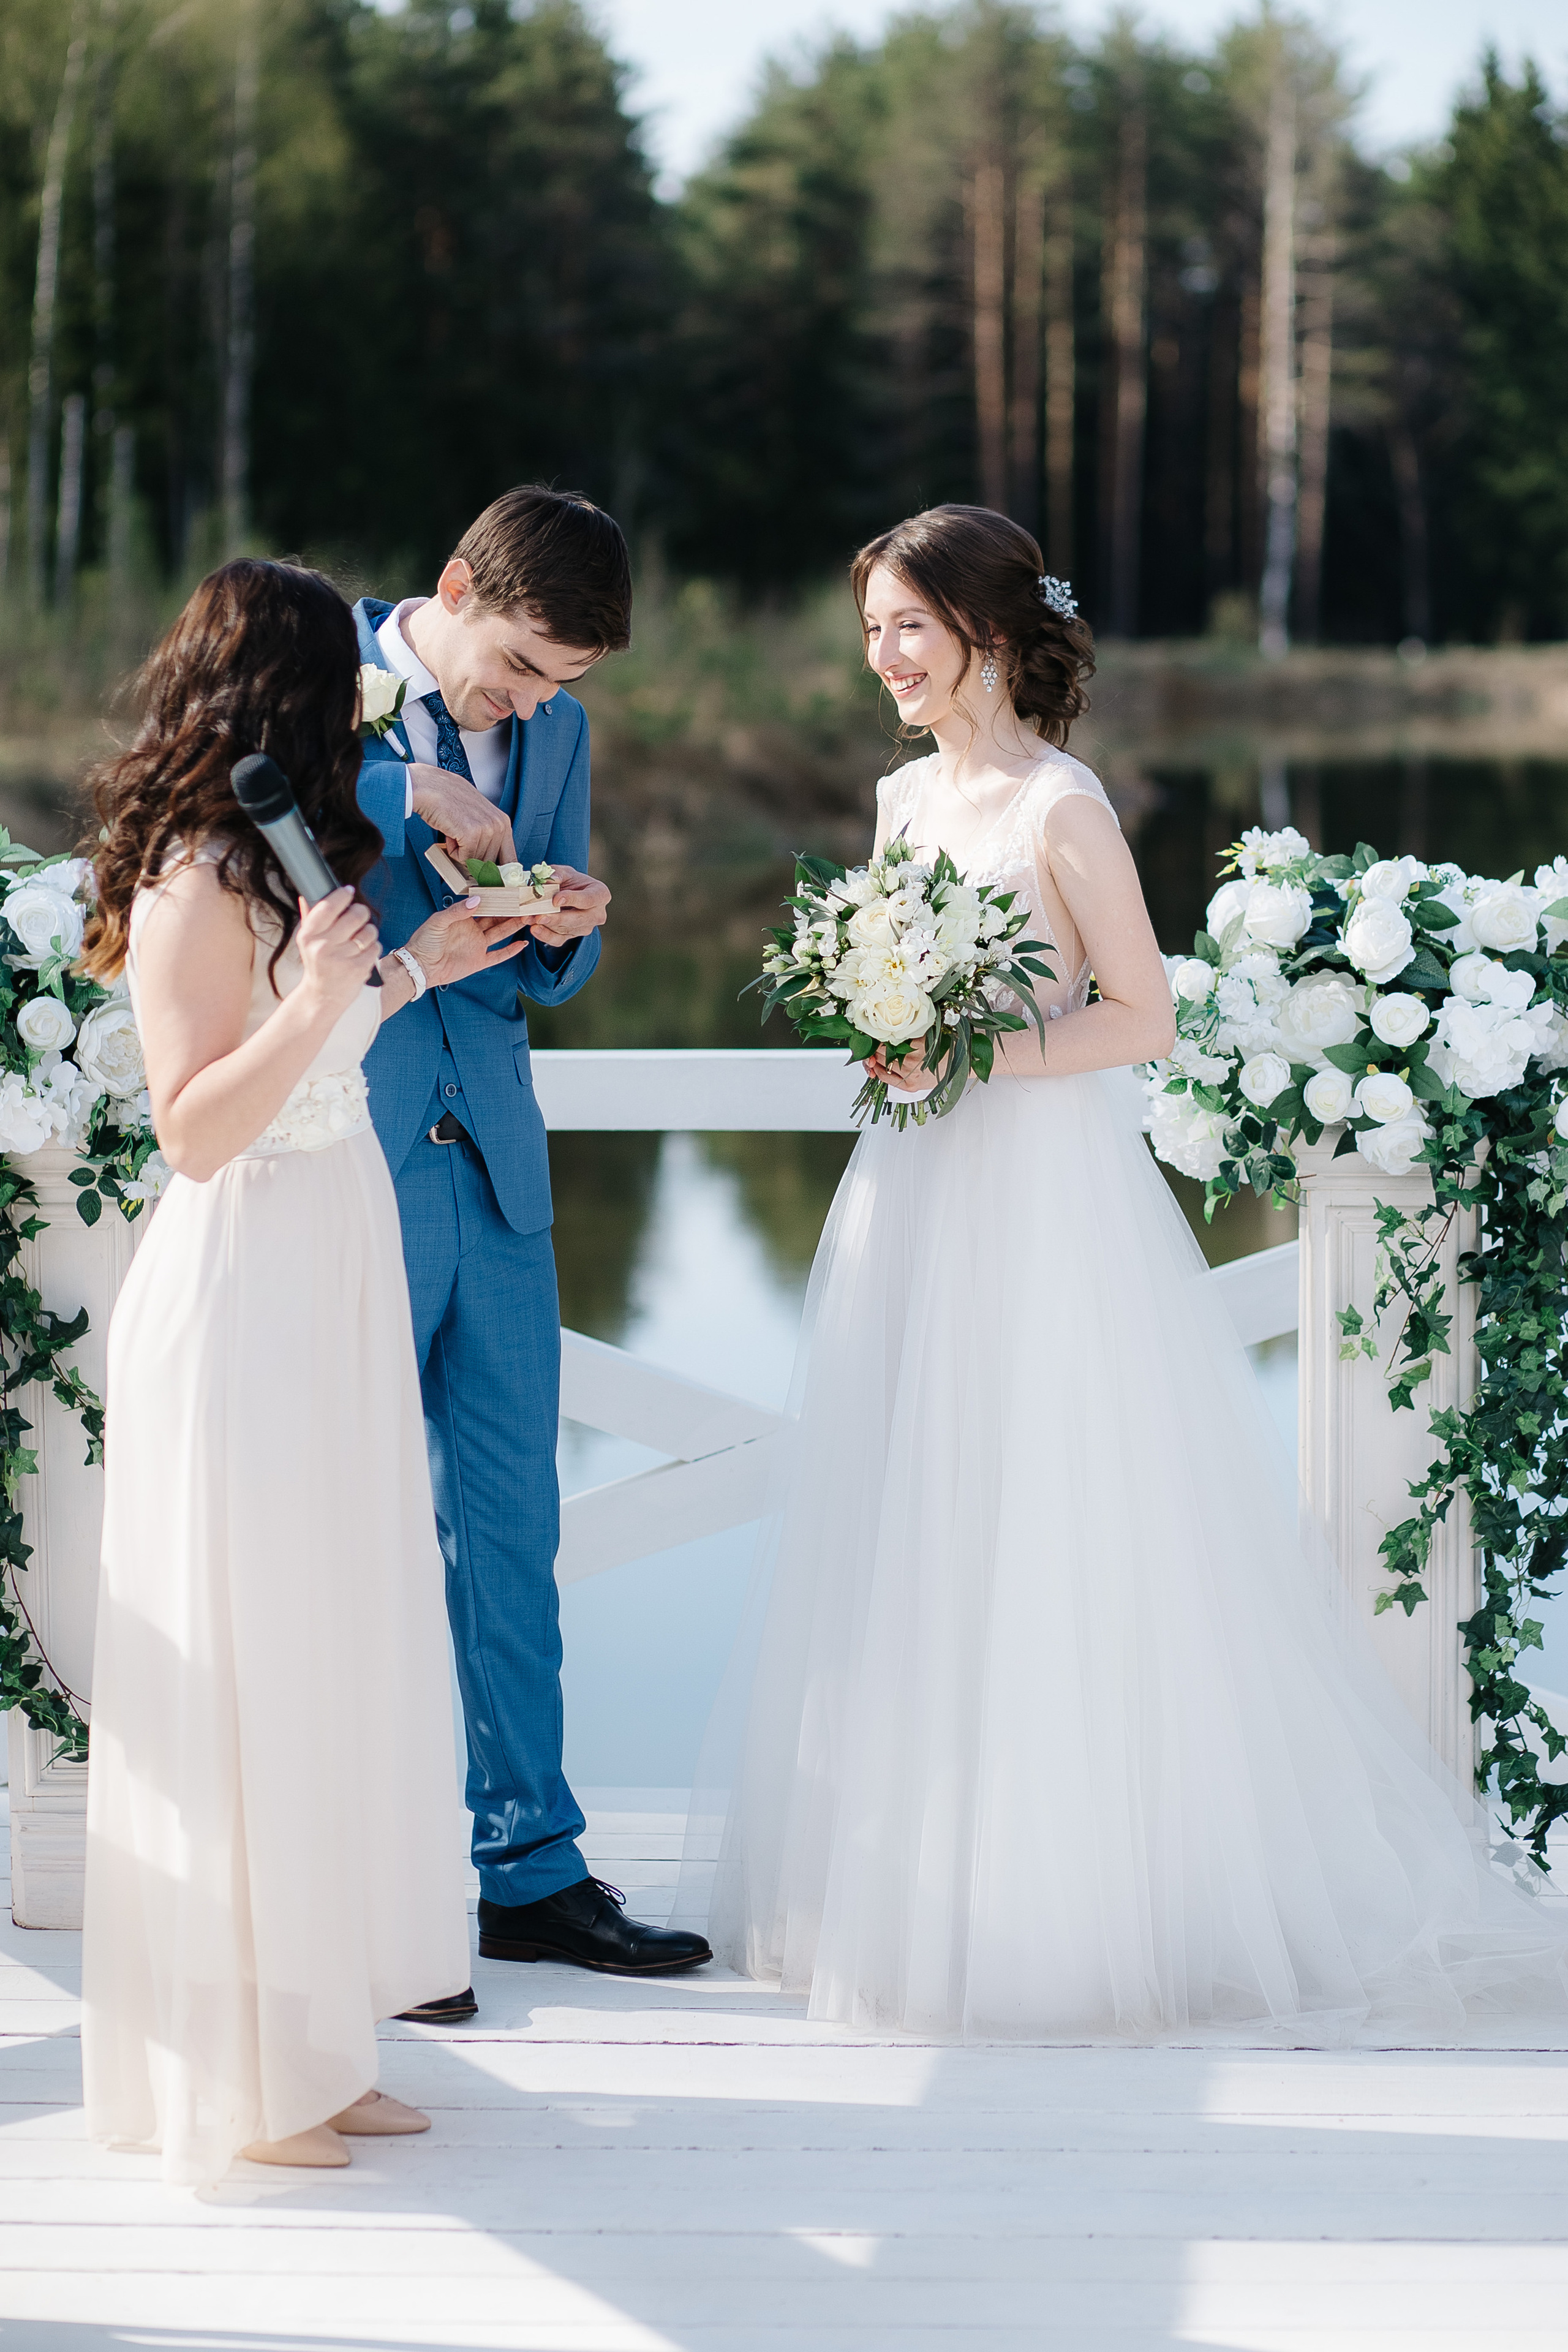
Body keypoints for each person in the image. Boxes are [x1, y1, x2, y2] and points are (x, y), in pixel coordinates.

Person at [683, 502, 1567, 2043]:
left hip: (1037, 1193)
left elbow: (1143, 1016)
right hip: (913, 1186)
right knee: (912, 1507)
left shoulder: (1059, 807)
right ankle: (908, 1884)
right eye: (871, 629)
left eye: (907, 625)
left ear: (992, 631)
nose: (883, 656)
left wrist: (978, 1042)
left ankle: (1071, 1897)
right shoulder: (901, 806)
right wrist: (887, 1031)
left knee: (1054, 1515)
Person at [80, 560, 522, 2184]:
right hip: (248, 1272)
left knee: (338, 1654)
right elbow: (197, 1130)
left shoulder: (285, 851)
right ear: (273, 689)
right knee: (256, 1661)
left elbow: (324, 1029)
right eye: (340, 673)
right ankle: (244, 2076)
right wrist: (325, 998)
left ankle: (323, 2047)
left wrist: (425, 967)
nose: (362, 697)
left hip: (333, 1262)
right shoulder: (195, 871)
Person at [353, 485, 710, 1999]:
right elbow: (225, 812)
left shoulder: (555, 733)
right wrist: (405, 801)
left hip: (495, 1155)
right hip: (349, 1154)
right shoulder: (319, 673)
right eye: (513, 670)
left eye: (556, 687)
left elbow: (556, 970)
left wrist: (570, 919)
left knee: (513, 1525)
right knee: (343, 1528)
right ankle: (363, 1885)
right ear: (451, 587)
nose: (524, 704)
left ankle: (534, 1875)